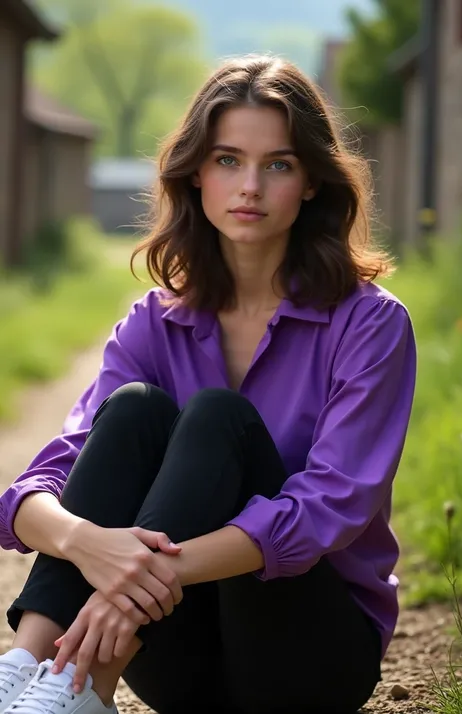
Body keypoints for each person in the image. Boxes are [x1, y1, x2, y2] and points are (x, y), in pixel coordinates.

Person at [0, 54, 416, 714]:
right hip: (176, 662)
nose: (249, 185)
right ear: (196, 172)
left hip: (305, 659)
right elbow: (46, 484)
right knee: (134, 411)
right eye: (228, 160)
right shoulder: (155, 323)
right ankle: (35, 676)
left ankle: (76, 684)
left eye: (278, 163)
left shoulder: (371, 324)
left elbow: (327, 507)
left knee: (219, 417)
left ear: (311, 180)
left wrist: (147, 571)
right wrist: (93, 547)